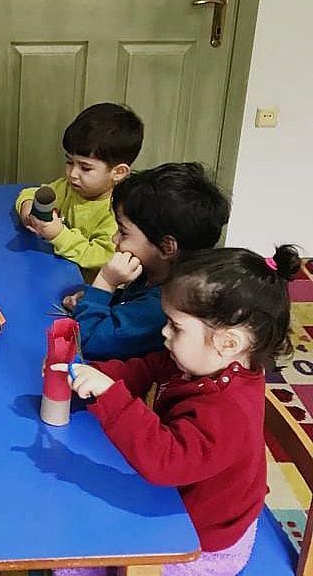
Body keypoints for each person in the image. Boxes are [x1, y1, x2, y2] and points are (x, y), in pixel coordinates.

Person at [50, 245, 301, 576]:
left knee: (75, 556)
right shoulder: (199, 362)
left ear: (228, 343)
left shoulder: (229, 412)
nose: (164, 333)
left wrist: (110, 395)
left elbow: (166, 461)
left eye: (176, 326)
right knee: (77, 528)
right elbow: (144, 369)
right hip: (181, 501)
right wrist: (92, 374)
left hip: (205, 543)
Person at [62, 162, 230, 360]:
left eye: (123, 232)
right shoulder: (155, 272)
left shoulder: (163, 306)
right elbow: (130, 302)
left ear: (166, 247)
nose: (115, 239)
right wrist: (96, 300)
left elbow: (87, 342)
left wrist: (105, 284)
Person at [15, 102, 144, 278]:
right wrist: (28, 209)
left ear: (118, 172)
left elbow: (102, 257)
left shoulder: (119, 211)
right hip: (56, 274)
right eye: (69, 162)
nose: (73, 174)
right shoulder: (69, 187)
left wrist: (58, 234)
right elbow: (32, 193)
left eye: (85, 168)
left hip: (90, 287)